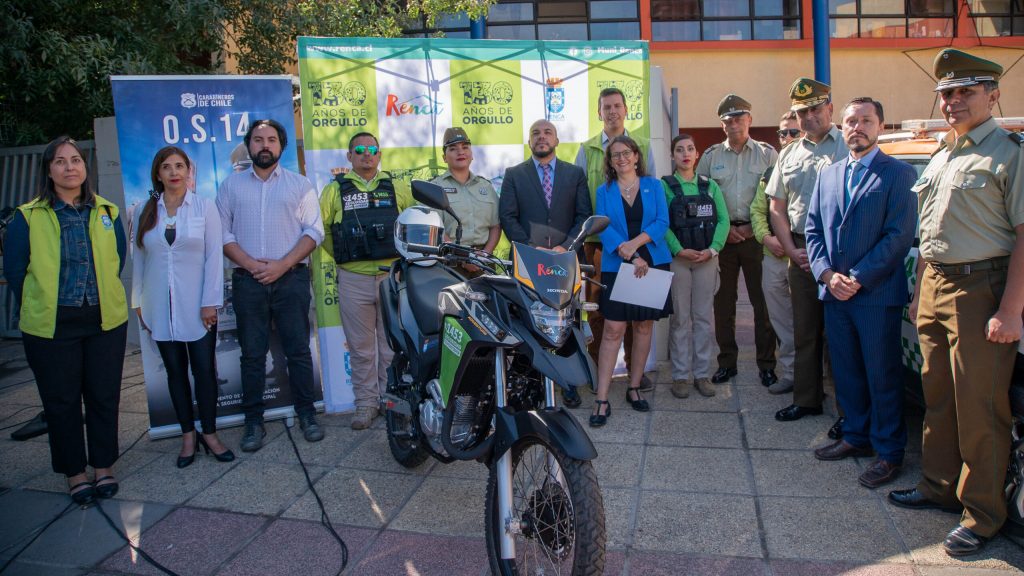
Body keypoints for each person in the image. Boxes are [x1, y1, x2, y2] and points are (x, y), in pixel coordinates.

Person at [888, 49, 1024, 557]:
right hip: (936, 285)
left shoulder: (1010, 153)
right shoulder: (944, 155)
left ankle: (983, 513)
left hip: (981, 287)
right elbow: (930, 234)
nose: (953, 100)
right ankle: (939, 485)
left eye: (966, 91)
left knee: (980, 406)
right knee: (937, 395)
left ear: (993, 95)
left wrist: (1011, 310)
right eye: (946, 92)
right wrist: (921, 289)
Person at [3, 136, 128, 505]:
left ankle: (103, 465)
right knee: (61, 402)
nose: (70, 167)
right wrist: (43, 305)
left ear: (84, 167)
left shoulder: (106, 212)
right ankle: (75, 472)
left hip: (105, 322)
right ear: (49, 170)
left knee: (104, 396)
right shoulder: (27, 217)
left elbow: (117, 260)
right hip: (51, 327)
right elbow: (14, 271)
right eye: (60, 161)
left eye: (76, 160)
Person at [805, 98, 917, 489]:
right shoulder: (829, 174)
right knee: (847, 372)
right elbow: (814, 230)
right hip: (835, 294)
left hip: (875, 294)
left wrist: (855, 277)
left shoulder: (899, 174)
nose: (858, 127)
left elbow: (899, 236)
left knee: (882, 374)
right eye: (851, 121)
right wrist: (826, 275)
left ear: (881, 126)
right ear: (842, 125)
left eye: (866, 121)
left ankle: (888, 453)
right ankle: (856, 435)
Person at [217, 119, 325, 451]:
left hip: (291, 279)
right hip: (247, 282)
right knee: (252, 355)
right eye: (258, 139)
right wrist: (251, 265)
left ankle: (307, 415)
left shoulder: (300, 185)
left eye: (272, 140)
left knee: (298, 351)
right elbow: (222, 235)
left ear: (281, 146)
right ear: (249, 145)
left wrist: (282, 265)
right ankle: (253, 423)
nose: (265, 145)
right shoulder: (231, 186)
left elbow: (314, 232)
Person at [132, 146, 234, 468]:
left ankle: (211, 434)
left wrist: (210, 303)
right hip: (159, 308)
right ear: (158, 174)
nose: (174, 172)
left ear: (189, 172)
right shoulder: (144, 212)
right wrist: (138, 302)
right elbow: (138, 261)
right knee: (175, 373)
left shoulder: (205, 208)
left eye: (180, 166)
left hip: (198, 307)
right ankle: (188, 436)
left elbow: (214, 258)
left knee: (204, 372)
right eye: (167, 166)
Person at [315, 132, 415, 430]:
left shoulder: (397, 186)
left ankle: (390, 401)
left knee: (390, 347)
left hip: (391, 279)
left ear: (379, 154)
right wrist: (345, 257)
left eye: (371, 149)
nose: (366, 154)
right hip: (353, 279)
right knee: (360, 348)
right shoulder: (335, 190)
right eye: (359, 149)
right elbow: (320, 231)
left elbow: (414, 221)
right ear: (349, 156)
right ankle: (365, 405)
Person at [767, 78, 849, 423]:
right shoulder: (789, 153)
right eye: (802, 112)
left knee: (841, 336)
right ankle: (807, 399)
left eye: (815, 109)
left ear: (830, 108)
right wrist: (789, 249)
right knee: (805, 330)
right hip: (800, 252)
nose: (809, 117)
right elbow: (777, 208)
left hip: (841, 251)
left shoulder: (848, 145)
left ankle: (848, 411)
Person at [499, 119, 591, 408]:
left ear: (557, 140)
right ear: (529, 142)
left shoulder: (575, 173)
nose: (542, 137)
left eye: (547, 132)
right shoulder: (514, 174)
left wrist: (567, 247)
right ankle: (533, 381)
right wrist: (530, 248)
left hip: (566, 261)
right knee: (530, 321)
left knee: (567, 322)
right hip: (529, 262)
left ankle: (568, 383)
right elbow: (507, 217)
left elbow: (583, 216)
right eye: (536, 133)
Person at [576, 87, 657, 392]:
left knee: (636, 311)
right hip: (600, 245)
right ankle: (599, 370)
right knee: (601, 311)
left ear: (626, 110)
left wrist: (636, 245)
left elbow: (651, 195)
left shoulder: (643, 145)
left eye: (616, 106)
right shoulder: (586, 149)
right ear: (599, 113)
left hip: (637, 245)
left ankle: (636, 373)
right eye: (605, 107)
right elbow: (581, 197)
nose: (611, 111)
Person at [696, 94, 779, 388]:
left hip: (757, 237)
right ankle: (727, 362)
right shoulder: (710, 157)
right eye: (728, 120)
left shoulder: (768, 154)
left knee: (763, 303)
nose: (734, 124)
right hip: (724, 239)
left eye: (739, 118)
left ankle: (767, 364)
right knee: (723, 305)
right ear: (722, 124)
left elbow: (775, 199)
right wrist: (724, 230)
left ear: (750, 120)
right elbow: (701, 202)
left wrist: (756, 230)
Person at [590, 135, 672, 427]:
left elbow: (662, 221)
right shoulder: (604, 190)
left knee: (643, 325)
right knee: (613, 328)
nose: (622, 158)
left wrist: (635, 246)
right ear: (610, 162)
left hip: (652, 261)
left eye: (626, 153)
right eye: (615, 155)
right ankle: (601, 397)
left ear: (637, 156)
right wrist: (628, 254)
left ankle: (634, 387)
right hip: (617, 263)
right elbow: (602, 225)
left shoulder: (654, 186)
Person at [662, 134, 728, 399]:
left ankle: (701, 374)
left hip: (706, 260)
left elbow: (723, 220)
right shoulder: (664, 187)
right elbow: (661, 222)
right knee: (680, 319)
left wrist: (712, 250)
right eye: (679, 150)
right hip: (679, 260)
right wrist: (679, 249)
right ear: (673, 156)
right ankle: (680, 376)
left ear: (697, 154)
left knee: (702, 318)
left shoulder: (710, 186)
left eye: (690, 149)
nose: (685, 154)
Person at [749, 111, 802, 396]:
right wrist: (766, 237)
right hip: (773, 259)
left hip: (804, 259)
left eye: (794, 132)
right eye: (783, 133)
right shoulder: (770, 173)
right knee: (780, 321)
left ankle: (812, 378)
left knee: (808, 323)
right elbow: (758, 210)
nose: (789, 138)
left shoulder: (818, 167)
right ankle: (791, 374)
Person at [429, 127, 500, 276]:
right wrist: (462, 257)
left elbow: (495, 226)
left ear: (471, 154)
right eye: (453, 149)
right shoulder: (435, 187)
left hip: (484, 262)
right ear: (444, 157)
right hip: (450, 262)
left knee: (489, 299)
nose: (460, 152)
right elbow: (435, 228)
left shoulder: (486, 186)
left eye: (465, 147)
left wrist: (485, 255)